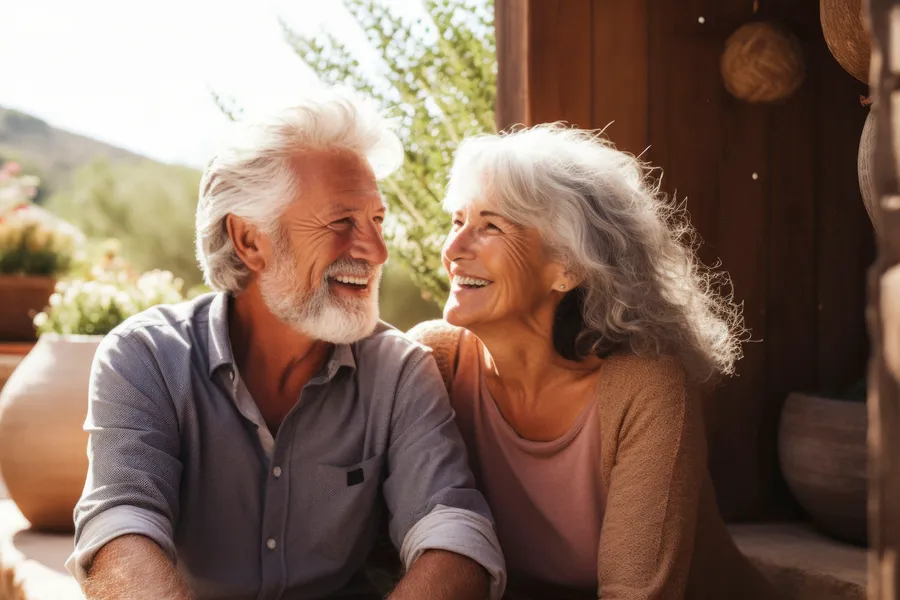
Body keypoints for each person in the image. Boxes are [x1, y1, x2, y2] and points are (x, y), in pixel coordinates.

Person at [66, 91, 506, 600]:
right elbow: (120, 521)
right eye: (342, 221)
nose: (376, 250)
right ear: (250, 241)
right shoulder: (145, 357)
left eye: (377, 221)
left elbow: (451, 528)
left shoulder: (400, 371)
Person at [409, 124, 777, 600]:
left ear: (569, 267)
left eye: (491, 225)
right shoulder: (434, 362)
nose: (453, 250)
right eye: (457, 222)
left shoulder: (644, 386)